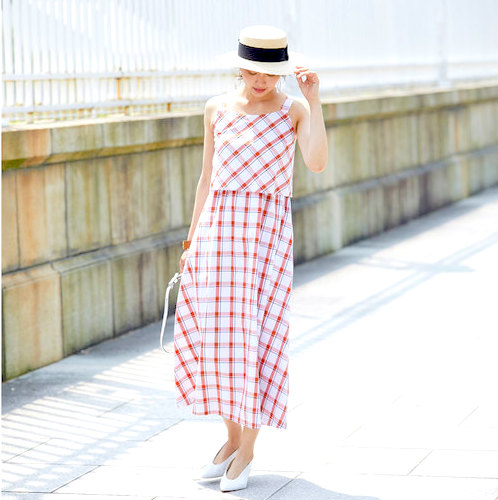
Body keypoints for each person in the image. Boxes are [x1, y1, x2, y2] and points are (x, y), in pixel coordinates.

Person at [173, 25, 328, 492]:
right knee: (218, 339)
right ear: (239, 67)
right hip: (218, 235)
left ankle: (247, 450)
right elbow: (206, 179)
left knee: (259, 338)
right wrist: (191, 242)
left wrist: (314, 100)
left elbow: (317, 162)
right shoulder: (216, 108)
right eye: (252, 70)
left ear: (282, 71)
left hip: (266, 239)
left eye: (270, 72)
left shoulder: (293, 110)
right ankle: (231, 439)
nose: (261, 80)